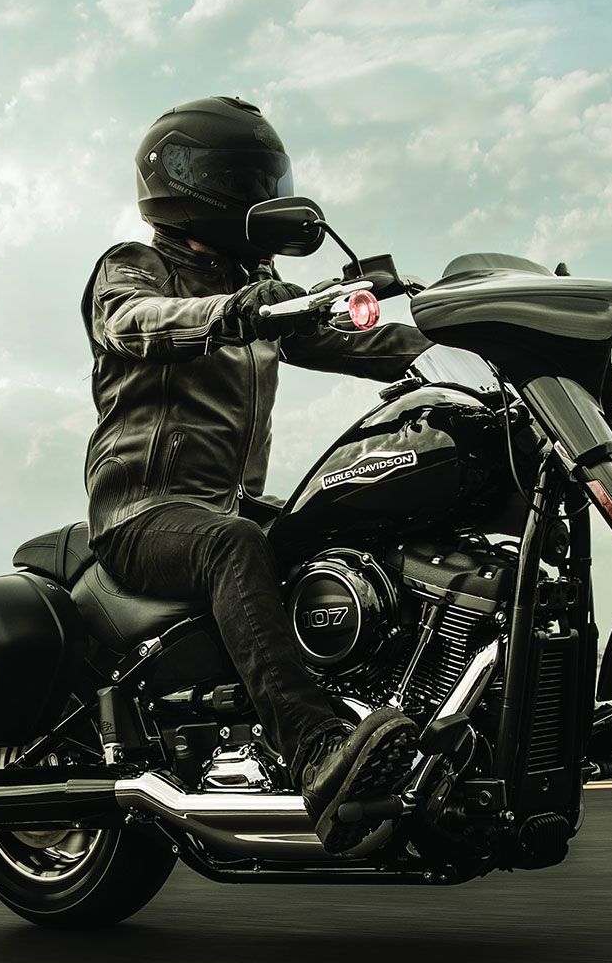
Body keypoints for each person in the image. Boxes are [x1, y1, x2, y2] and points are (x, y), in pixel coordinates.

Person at [80, 96, 430, 854]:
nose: (257, 195)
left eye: (263, 179)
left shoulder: (259, 286)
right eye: (239, 179)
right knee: (235, 543)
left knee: (344, 520)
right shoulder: (135, 268)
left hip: (229, 504)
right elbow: (131, 322)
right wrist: (239, 309)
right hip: (143, 513)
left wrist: (451, 324)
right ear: (185, 182)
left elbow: (348, 341)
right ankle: (316, 752)